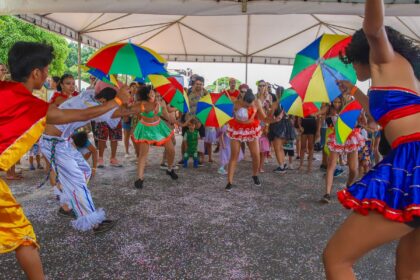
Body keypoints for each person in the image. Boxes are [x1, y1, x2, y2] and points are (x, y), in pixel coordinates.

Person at [0, 41, 129, 280]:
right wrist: (119, 101)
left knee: (82, 173)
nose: (50, 75)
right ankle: (89, 219)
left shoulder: (7, 91)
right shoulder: (35, 106)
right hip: (55, 144)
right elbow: (83, 115)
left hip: (63, 144)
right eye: (48, 70)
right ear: (36, 73)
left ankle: (65, 203)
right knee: (23, 236)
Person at [323, 1, 420, 278]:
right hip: (411, 156)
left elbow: (374, 28)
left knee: (336, 259)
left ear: (361, 53)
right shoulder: (406, 75)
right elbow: (386, 115)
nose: (352, 67)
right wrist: (354, 91)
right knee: (410, 267)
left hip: (413, 160)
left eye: (352, 61)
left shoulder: (383, 58)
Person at [131, 85, 178, 189]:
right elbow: (135, 113)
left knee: (171, 150)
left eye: (158, 95)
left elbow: (166, 115)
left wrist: (174, 122)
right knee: (143, 154)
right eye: (153, 94)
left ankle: (170, 169)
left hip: (159, 127)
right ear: (147, 94)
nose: (157, 96)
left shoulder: (161, 102)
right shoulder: (141, 104)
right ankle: (139, 178)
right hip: (145, 129)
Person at [225, 89, 268, 191]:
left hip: (251, 129)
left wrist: (274, 119)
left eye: (250, 104)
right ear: (243, 100)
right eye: (246, 104)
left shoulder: (257, 102)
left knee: (256, 155)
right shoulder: (235, 103)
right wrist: (234, 116)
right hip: (237, 129)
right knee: (234, 155)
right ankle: (229, 182)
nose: (248, 106)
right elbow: (227, 115)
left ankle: (255, 175)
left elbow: (264, 118)